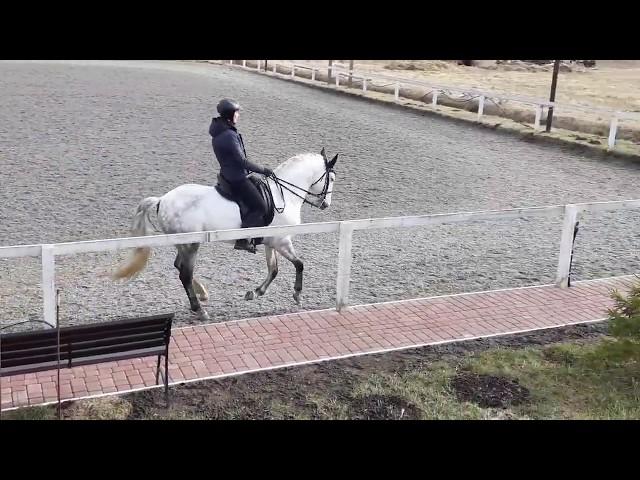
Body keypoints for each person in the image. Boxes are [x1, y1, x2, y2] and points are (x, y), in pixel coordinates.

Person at [209, 98, 273, 253]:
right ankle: (242, 239)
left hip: (228, 174)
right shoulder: (229, 135)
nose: (238, 115)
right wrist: (263, 169)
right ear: (230, 114)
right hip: (236, 178)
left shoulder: (220, 131)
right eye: (236, 113)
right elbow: (241, 160)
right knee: (260, 206)